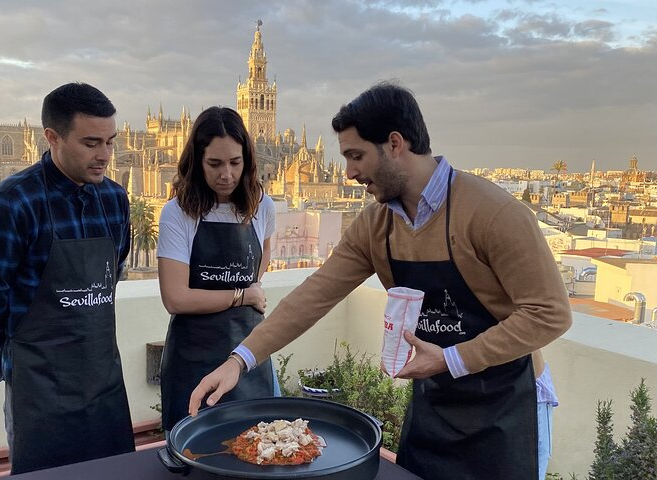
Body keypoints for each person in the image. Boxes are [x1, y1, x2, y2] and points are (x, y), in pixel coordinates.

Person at [188, 82, 573, 480]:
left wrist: (451, 359)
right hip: (435, 403)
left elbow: (551, 315)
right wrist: (240, 360)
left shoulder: (492, 213)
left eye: (356, 156)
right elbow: (314, 296)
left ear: (394, 144)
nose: (350, 172)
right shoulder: (377, 225)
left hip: (506, 405)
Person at [0, 82, 134, 474]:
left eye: (110, 142)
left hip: (104, 383)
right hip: (39, 394)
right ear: (52, 137)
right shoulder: (10, 204)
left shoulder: (114, 200)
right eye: (91, 143)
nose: (105, 155)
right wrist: (34, 349)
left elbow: (112, 274)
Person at [157, 106, 277, 432]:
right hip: (193, 356)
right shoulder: (177, 213)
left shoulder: (262, 205)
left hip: (248, 351)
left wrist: (249, 289)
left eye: (235, 163)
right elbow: (176, 298)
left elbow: (263, 256)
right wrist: (241, 295)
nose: (227, 174)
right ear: (197, 161)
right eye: (215, 164)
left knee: (259, 448)